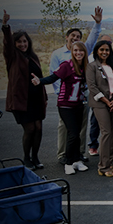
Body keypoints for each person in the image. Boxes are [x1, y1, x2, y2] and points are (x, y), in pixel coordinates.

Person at [50, 6, 103, 164]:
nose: (75, 38)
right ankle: (63, 155)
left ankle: (78, 153)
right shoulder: (58, 55)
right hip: (65, 99)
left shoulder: (83, 50)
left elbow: (93, 37)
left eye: (78, 36)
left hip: (81, 98)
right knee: (65, 127)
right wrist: (62, 94)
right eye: (72, 36)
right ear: (66, 37)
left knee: (81, 125)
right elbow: (55, 76)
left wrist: (98, 24)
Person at [32, 42, 90, 175]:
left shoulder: (85, 67)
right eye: (75, 50)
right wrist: (40, 81)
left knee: (78, 134)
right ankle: (68, 163)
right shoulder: (66, 65)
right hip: (65, 105)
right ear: (72, 52)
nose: (78, 53)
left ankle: (76, 161)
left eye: (81, 51)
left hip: (79, 105)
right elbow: (53, 77)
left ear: (84, 52)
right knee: (73, 133)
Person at [2, 10, 47, 170]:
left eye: (25, 41)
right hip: (21, 100)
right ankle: (26, 158)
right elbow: (7, 43)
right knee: (30, 128)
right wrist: (6, 26)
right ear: (15, 44)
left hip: (36, 99)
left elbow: (40, 78)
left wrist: (45, 97)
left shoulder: (33, 57)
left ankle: (35, 157)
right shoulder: (12, 57)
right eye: (19, 42)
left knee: (39, 128)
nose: (23, 44)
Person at [86, 40, 113, 177]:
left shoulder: (111, 65)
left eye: (107, 50)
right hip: (100, 103)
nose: (104, 52)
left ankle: (110, 162)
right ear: (97, 51)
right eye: (101, 50)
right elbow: (92, 87)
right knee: (106, 132)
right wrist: (107, 101)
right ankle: (103, 167)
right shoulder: (92, 67)